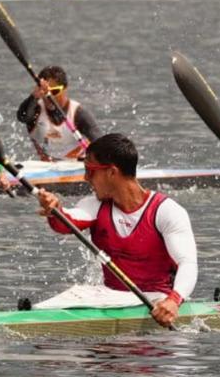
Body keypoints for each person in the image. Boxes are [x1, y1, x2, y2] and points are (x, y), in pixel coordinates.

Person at [36, 133, 197, 328]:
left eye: (90, 170)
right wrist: (54, 210)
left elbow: (188, 263)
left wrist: (174, 300)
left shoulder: (166, 211)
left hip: (157, 302)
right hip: (111, 298)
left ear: (112, 172)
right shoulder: (95, 206)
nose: (86, 178)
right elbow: (66, 223)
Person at [16, 65, 101, 161]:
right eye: (45, 92)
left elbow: (100, 144)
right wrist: (34, 96)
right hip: (47, 166)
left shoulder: (77, 113)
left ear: (65, 89)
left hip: (77, 164)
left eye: (54, 91)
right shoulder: (35, 110)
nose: (49, 97)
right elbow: (22, 117)